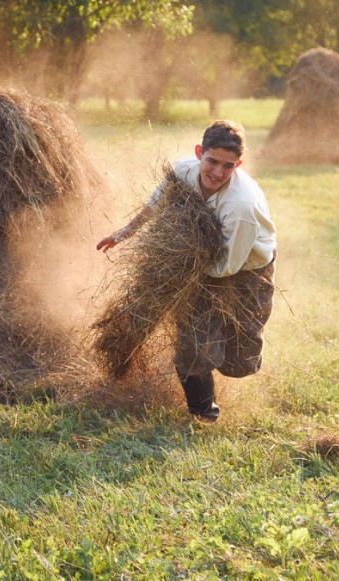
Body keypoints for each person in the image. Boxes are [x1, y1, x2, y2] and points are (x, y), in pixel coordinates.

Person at [97, 120, 276, 422]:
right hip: (199, 265)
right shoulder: (183, 171)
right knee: (194, 341)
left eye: (228, 166)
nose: (218, 173)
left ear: (239, 165)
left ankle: (220, 355)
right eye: (212, 161)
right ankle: (203, 412)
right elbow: (157, 203)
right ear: (198, 153)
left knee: (239, 361)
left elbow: (228, 266)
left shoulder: (241, 206)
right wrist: (125, 231)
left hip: (247, 270)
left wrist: (182, 271)